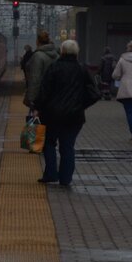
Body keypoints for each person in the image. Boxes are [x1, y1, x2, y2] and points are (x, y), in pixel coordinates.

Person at [33, 38, 100, 187]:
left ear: (61, 51)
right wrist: (81, 105)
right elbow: (95, 94)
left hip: (51, 115)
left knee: (49, 144)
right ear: (77, 52)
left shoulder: (54, 68)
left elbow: (44, 92)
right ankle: (65, 179)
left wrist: (37, 107)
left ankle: (50, 174)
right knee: (68, 147)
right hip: (74, 117)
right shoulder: (82, 69)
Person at [23, 30, 58, 111]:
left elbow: (35, 79)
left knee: (39, 122)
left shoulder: (38, 56)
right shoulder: (57, 55)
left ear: (37, 42)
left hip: (41, 97)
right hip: (55, 96)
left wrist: (31, 99)